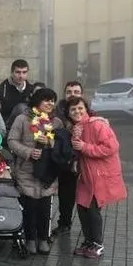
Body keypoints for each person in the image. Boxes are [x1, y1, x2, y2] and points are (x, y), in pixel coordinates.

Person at [66, 96, 127, 259]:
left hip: (100, 175)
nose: (77, 111)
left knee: (93, 209)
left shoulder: (97, 124)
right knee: (82, 207)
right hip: (86, 175)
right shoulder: (77, 128)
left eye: (80, 108)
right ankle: (88, 242)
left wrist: (85, 147)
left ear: (86, 109)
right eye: (73, 109)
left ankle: (98, 244)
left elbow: (112, 147)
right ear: (68, 113)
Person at [7, 89, 63, 255]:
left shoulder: (56, 122)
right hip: (27, 169)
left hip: (47, 171)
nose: (50, 104)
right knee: (30, 206)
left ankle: (43, 239)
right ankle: (30, 238)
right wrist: (28, 152)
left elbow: (62, 145)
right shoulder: (22, 119)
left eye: (52, 101)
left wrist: (51, 142)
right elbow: (12, 141)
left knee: (45, 206)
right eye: (46, 100)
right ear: (37, 101)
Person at [52, 80, 84, 238]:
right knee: (60, 193)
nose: (73, 94)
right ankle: (58, 223)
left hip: (80, 160)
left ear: (81, 94)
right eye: (69, 92)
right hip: (60, 158)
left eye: (76, 92)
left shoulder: (87, 112)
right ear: (64, 94)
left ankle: (74, 224)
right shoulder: (56, 111)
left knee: (76, 194)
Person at [0, 59, 36, 126]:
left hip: (29, 126)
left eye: (24, 72)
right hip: (7, 126)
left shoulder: (32, 90)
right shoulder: (0, 91)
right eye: (18, 72)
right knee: (21, 107)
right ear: (12, 73)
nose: (21, 76)